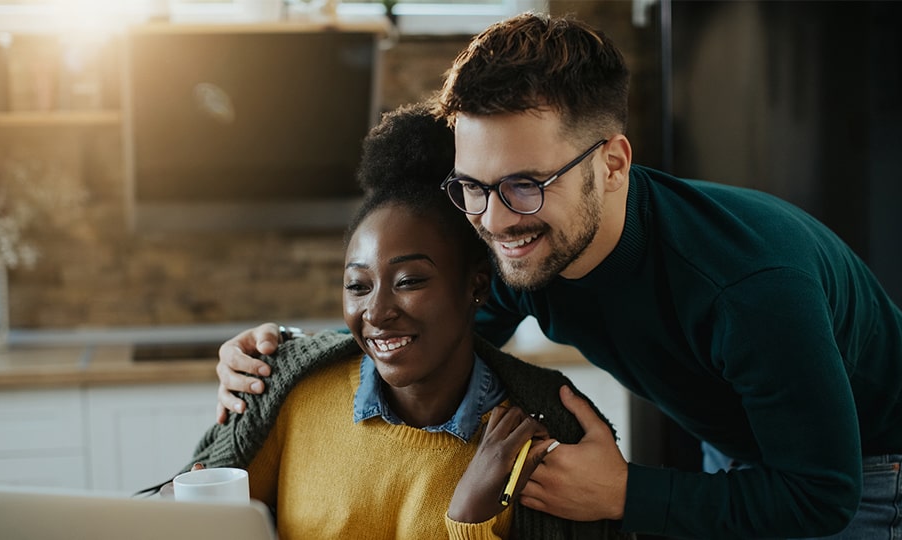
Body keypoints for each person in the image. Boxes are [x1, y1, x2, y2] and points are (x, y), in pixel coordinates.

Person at [214, 13, 902, 540]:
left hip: (878, 469)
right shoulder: (524, 240)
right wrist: (281, 361)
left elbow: (820, 496)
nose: (492, 221)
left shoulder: (747, 287)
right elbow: (441, 338)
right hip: (741, 443)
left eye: (524, 183)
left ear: (611, 164)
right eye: (470, 186)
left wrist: (622, 493)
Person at [172, 103, 629, 539]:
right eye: (358, 286)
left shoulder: (540, 436)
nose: (376, 311)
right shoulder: (290, 396)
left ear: (477, 285)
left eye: (409, 280)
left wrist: (469, 520)